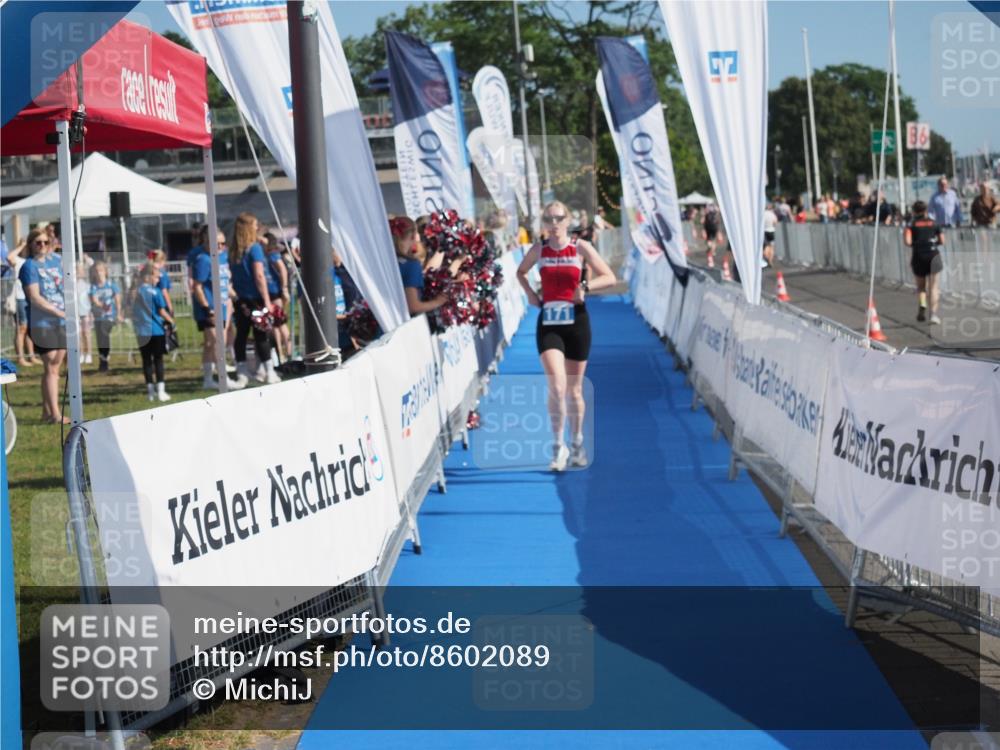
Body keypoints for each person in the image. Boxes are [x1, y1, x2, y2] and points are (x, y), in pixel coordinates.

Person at [516, 201, 616, 472]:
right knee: (557, 386)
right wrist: (531, 295)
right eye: (548, 218)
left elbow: (610, 277)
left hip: (577, 322)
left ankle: (578, 442)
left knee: (574, 388)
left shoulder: (580, 247)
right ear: (544, 222)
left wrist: (585, 286)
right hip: (549, 322)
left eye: (559, 218)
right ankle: (558, 447)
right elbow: (520, 272)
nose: (554, 223)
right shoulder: (540, 249)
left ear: (568, 219)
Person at [18, 228, 67, 423]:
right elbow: (34, 297)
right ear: (31, 244)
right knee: (51, 367)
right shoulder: (29, 266)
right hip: (42, 322)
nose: (42, 246)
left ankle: (47, 412)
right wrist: (59, 311)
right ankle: (55, 414)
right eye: (38, 242)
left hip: (63, 320)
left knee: (55, 366)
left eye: (45, 242)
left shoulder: (56, 261)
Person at [229, 212, 281, 385]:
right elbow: (259, 275)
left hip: (240, 299)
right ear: (248, 227)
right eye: (255, 225)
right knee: (261, 335)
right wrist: (267, 300)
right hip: (256, 298)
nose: (257, 228)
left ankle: (242, 372)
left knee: (242, 335)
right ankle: (269, 371)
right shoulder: (255, 249)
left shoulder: (234, 250)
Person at [192, 229, 242, 390]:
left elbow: (226, 283)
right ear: (207, 242)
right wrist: (207, 308)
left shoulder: (223, 258)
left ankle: (207, 379)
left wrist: (236, 298)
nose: (220, 246)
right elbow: (197, 287)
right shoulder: (203, 260)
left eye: (222, 243)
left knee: (210, 343)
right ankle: (223, 377)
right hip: (209, 308)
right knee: (216, 342)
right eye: (216, 243)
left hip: (222, 305)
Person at [132, 262, 174, 401]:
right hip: (156, 331)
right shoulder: (155, 291)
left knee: (146, 361)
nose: (158, 280)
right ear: (147, 277)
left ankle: (150, 392)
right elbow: (161, 310)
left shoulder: (135, 291)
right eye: (156, 277)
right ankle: (161, 391)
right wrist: (172, 321)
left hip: (141, 331)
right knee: (158, 360)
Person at [389, 216, 447, 315]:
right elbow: (413, 306)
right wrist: (438, 302)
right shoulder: (411, 265)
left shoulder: (387, 257)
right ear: (413, 236)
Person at [904, 200, 945, 325]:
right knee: (934, 287)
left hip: (919, 256)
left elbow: (907, 241)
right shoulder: (934, 223)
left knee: (921, 287)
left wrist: (918, 243)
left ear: (914, 211)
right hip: (933, 255)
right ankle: (933, 314)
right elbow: (942, 240)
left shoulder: (911, 225)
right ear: (926, 210)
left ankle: (922, 303)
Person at [6, 238, 39, 367]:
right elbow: (10, 257)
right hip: (19, 297)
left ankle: (31, 356)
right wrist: (21, 245)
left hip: (30, 298)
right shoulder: (19, 261)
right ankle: (20, 357)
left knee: (29, 328)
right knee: (21, 328)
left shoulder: (32, 261)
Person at [89, 261, 122, 373]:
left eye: (101, 270)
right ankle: (103, 361)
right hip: (98, 317)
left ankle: (105, 360)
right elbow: (94, 300)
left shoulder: (112, 285)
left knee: (104, 334)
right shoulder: (93, 287)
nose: (99, 273)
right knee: (100, 339)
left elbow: (117, 300)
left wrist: (118, 313)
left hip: (109, 317)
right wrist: (102, 305)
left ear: (105, 271)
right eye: (97, 271)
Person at [264, 232, 292, 360]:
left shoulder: (273, 255)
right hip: (270, 292)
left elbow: (283, 270)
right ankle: (281, 353)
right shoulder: (266, 254)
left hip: (276, 292)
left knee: (280, 323)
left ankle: (287, 352)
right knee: (275, 324)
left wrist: (284, 288)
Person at [148, 249, 175, 317]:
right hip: (161, 303)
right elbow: (164, 291)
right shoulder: (161, 272)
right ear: (161, 261)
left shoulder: (149, 270)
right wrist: (170, 307)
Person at [76, 263, 93, 365]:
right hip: (76, 313)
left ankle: (89, 354)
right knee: (78, 335)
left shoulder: (86, 285)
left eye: (79, 270)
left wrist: (90, 312)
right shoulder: (71, 285)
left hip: (85, 312)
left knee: (86, 333)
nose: (77, 272)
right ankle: (81, 353)